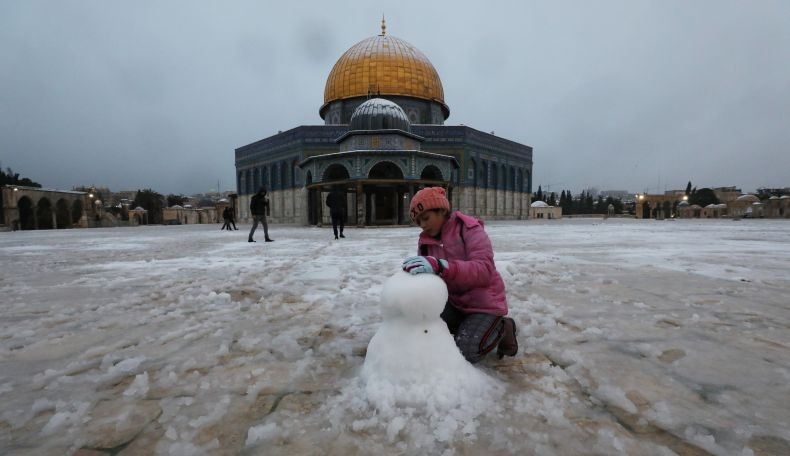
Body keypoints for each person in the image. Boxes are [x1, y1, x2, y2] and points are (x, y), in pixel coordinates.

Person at [402, 186, 517, 363]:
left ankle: (503, 327)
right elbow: (429, 278)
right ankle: (467, 326)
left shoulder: (469, 228)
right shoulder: (426, 242)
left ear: (441, 210)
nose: (423, 225)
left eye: (426, 218)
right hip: (455, 304)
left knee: (465, 352)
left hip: (484, 304)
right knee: (422, 329)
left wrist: (442, 266)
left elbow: (484, 270)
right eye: (418, 222)